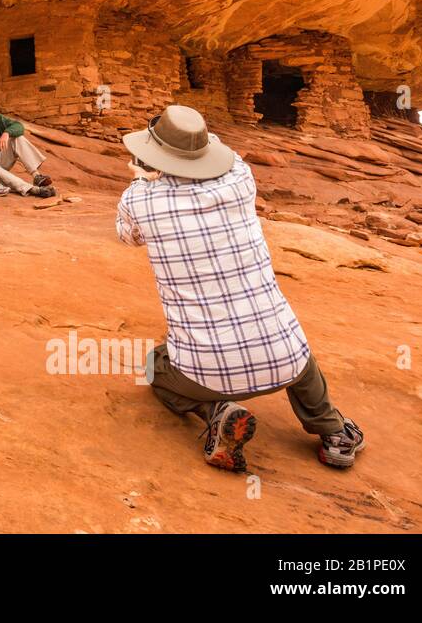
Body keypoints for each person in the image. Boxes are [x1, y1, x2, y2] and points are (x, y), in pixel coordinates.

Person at [116, 104, 365, 472]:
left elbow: (127, 237)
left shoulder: (139, 200)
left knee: (155, 365)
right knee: (293, 347)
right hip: (285, 359)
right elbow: (217, 152)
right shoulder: (240, 178)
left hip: (206, 371)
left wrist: (142, 177)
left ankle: (216, 410)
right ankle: (334, 433)